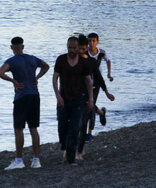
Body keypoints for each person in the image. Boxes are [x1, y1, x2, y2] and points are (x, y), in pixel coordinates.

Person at [0, 37, 49, 170]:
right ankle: (36, 160)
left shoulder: (11, 61)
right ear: (23, 46)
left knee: (18, 129)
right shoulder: (32, 58)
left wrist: (13, 81)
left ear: (12, 47)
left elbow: (0, 72)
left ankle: (19, 160)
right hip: (34, 96)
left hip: (21, 97)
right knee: (33, 129)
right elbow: (46, 66)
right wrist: (37, 77)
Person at [52, 36, 93, 163]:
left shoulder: (83, 62)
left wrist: (91, 98)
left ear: (78, 48)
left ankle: (70, 159)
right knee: (62, 127)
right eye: (69, 47)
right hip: (63, 98)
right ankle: (65, 145)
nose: (72, 50)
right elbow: (55, 78)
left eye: (74, 48)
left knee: (75, 129)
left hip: (78, 100)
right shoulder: (61, 60)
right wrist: (58, 96)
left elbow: (88, 81)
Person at [85, 33, 115, 139]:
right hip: (86, 82)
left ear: (97, 42)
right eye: (89, 41)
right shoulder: (84, 52)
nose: (91, 43)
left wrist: (109, 74)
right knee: (87, 103)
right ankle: (101, 113)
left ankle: (89, 133)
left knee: (91, 105)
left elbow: (108, 60)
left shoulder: (101, 52)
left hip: (97, 81)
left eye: (93, 41)